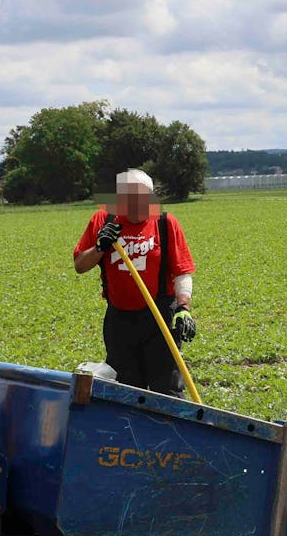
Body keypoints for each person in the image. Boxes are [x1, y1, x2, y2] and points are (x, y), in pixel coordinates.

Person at [73, 169, 197, 396]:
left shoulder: (165, 222)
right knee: (126, 391)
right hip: (119, 320)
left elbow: (182, 270)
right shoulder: (103, 220)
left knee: (167, 390)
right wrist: (100, 246)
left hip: (160, 319)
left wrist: (183, 308)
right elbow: (80, 265)